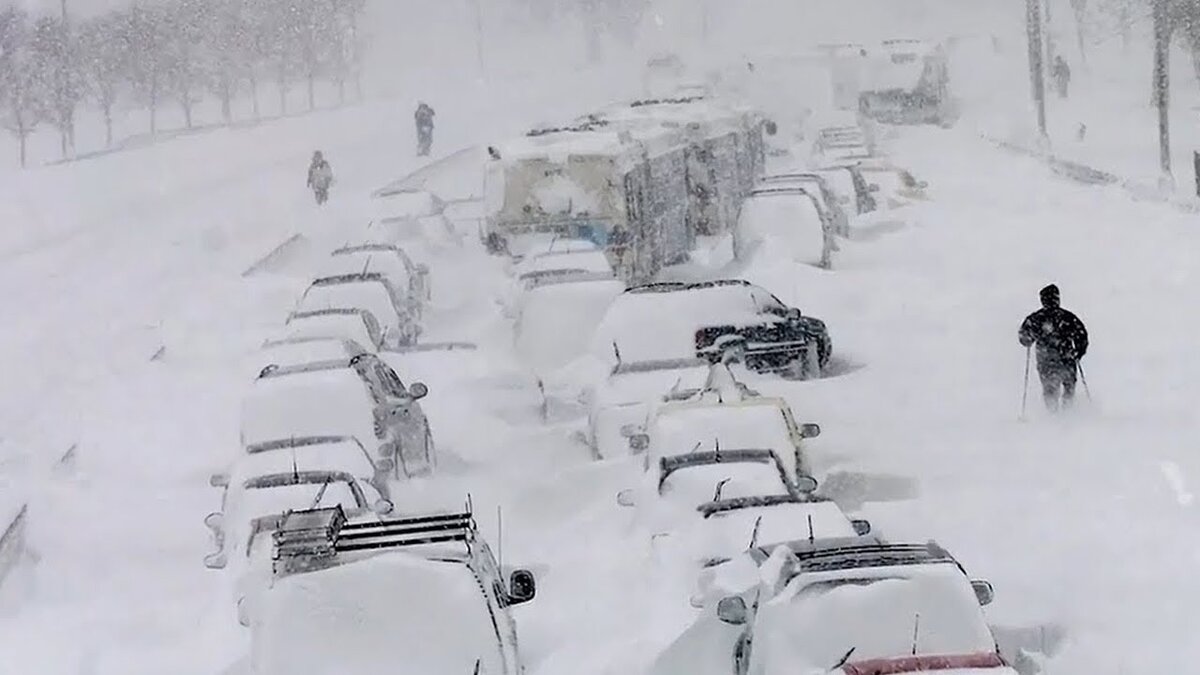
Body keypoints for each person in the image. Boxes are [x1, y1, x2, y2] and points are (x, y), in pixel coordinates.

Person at [1018, 284, 1088, 412]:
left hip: (1046, 360)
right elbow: (1081, 336)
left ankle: (1052, 414)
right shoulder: (1067, 317)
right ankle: (1068, 412)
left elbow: (1024, 337)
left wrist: (1028, 339)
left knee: (1050, 388)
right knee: (1069, 387)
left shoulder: (1035, 319)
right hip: (1066, 358)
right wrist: (1078, 352)